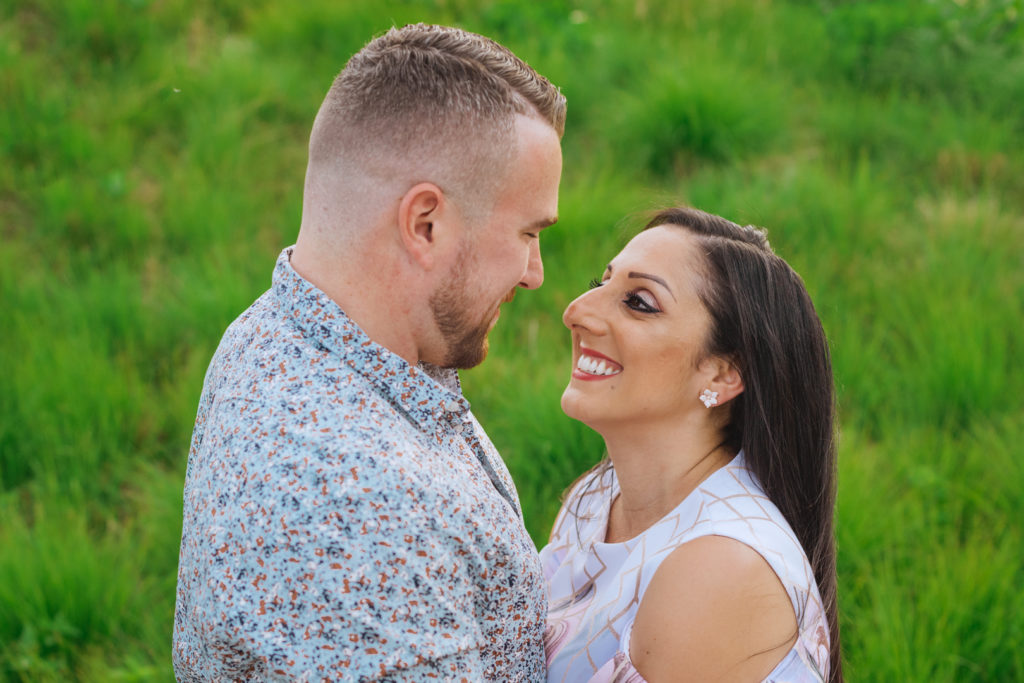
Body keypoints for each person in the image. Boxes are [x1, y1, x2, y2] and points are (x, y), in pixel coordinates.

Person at [173, 24, 565, 682]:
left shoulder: (278, 326)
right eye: (527, 233)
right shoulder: (358, 518)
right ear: (425, 224)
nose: (535, 273)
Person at [541, 207, 842, 682]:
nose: (576, 311)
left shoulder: (722, 569)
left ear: (723, 373)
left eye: (639, 302)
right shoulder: (598, 496)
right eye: (601, 283)